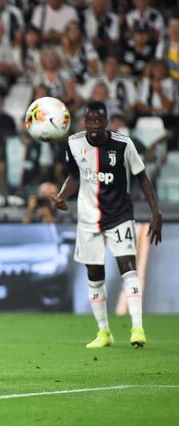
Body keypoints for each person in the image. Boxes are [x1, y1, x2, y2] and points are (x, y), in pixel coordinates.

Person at [52, 101, 162, 349]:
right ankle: (104, 333)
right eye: (89, 120)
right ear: (84, 121)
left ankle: (137, 328)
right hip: (89, 218)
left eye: (98, 120)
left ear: (106, 122)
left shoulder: (124, 145)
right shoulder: (74, 143)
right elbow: (75, 175)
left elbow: (142, 177)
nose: (93, 125)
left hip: (119, 215)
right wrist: (61, 196)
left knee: (128, 269)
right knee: (94, 276)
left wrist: (156, 211)